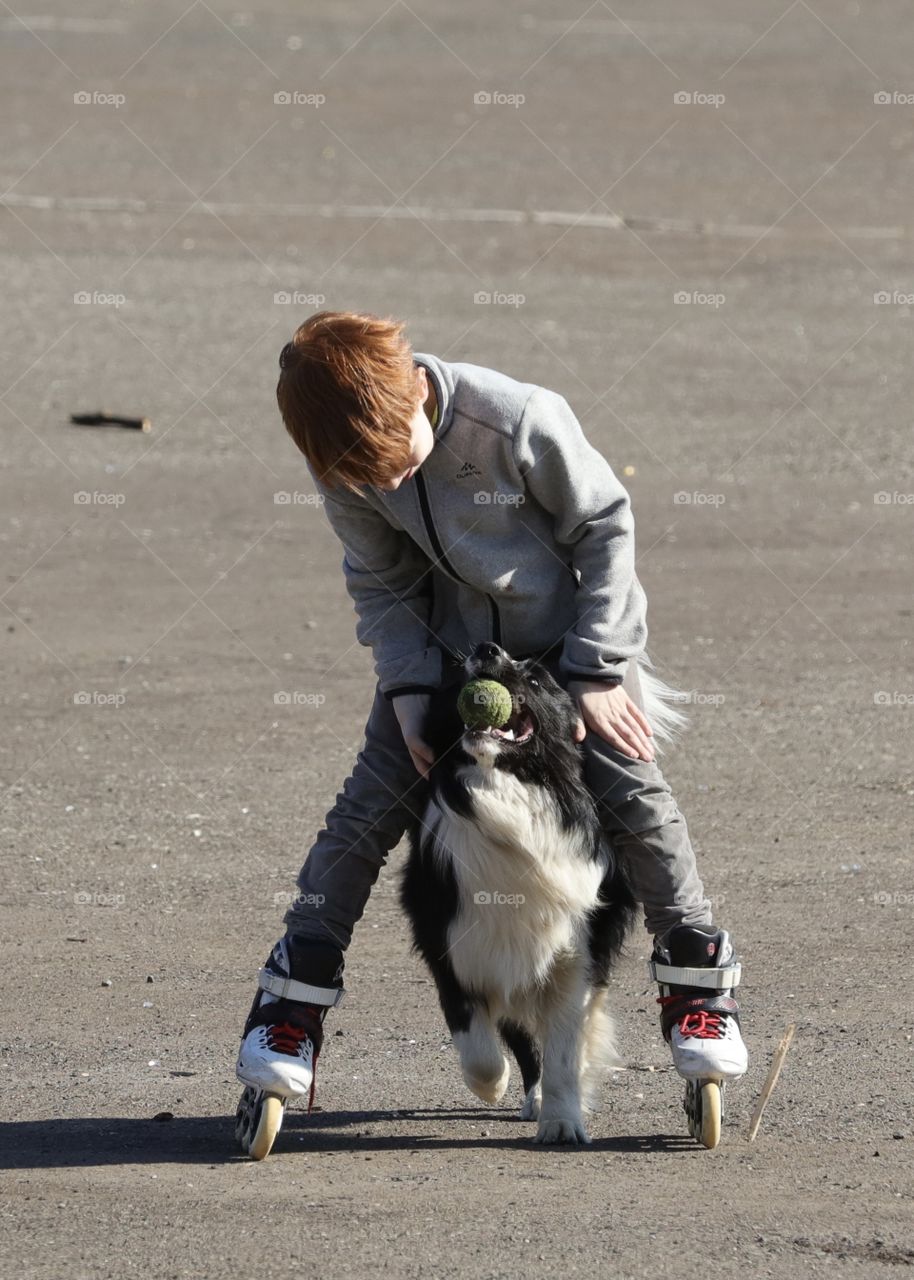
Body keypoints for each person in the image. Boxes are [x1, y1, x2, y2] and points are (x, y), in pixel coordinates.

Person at [235, 310, 748, 1112]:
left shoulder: (514, 420)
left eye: (391, 456)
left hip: (572, 656)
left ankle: (698, 989)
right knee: (366, 811)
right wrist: (407, 696)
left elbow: (605, 528)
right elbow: (384, 584)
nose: (386, 482)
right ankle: (291, 1004)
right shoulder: (345, 463)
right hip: (449, 663)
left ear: (412, 393)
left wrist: (599, 670)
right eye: (360, 474)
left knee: (633, 793)